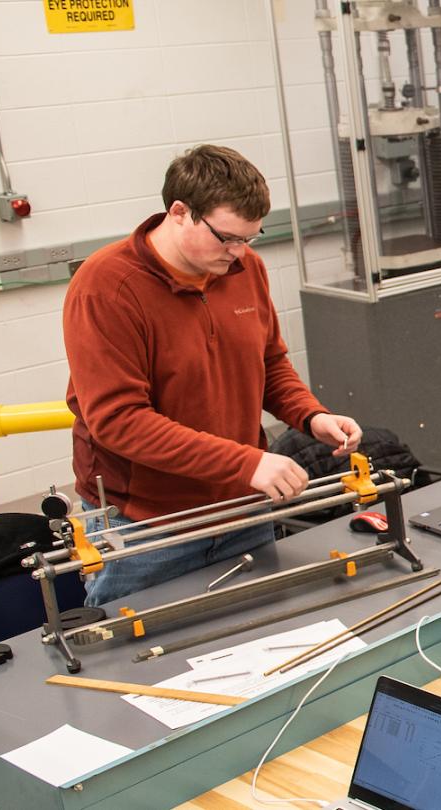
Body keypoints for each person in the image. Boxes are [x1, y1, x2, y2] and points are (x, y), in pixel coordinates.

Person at [66, 144, 364, 606]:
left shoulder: (245, 268)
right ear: (180, 212)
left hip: (242, 508)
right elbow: (119, 420)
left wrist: (311, 416)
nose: (239, 252)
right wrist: (247, 463)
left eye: (251, 237)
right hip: (147, 525)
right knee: (139, 660)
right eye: (227, 237)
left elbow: (268, 363)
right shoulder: (107, 287)